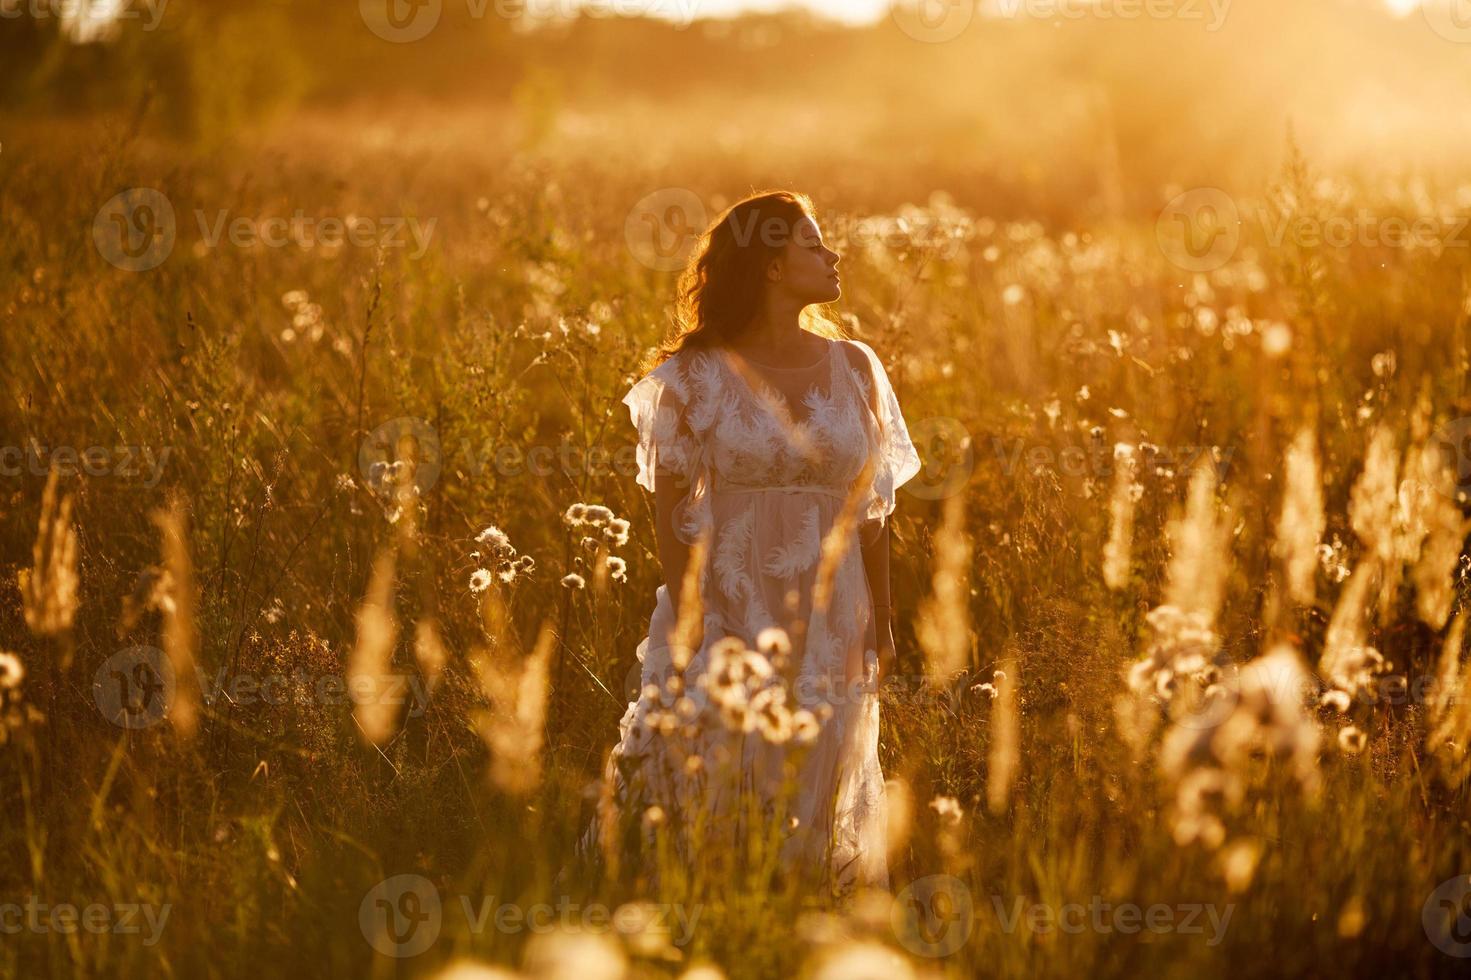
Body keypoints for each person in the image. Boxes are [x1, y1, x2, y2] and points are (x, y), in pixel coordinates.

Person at [584, 190, 921, 899]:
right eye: (813, 245)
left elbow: (872, 510)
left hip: (834, 612)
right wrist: (688, 618)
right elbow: (668, 506)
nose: (833, 257)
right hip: (729, 605)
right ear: (769, 265)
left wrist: (881, 617)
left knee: (821, 769)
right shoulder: (693, 376)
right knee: (719, 768)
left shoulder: (856, 368)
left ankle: (804, 923)